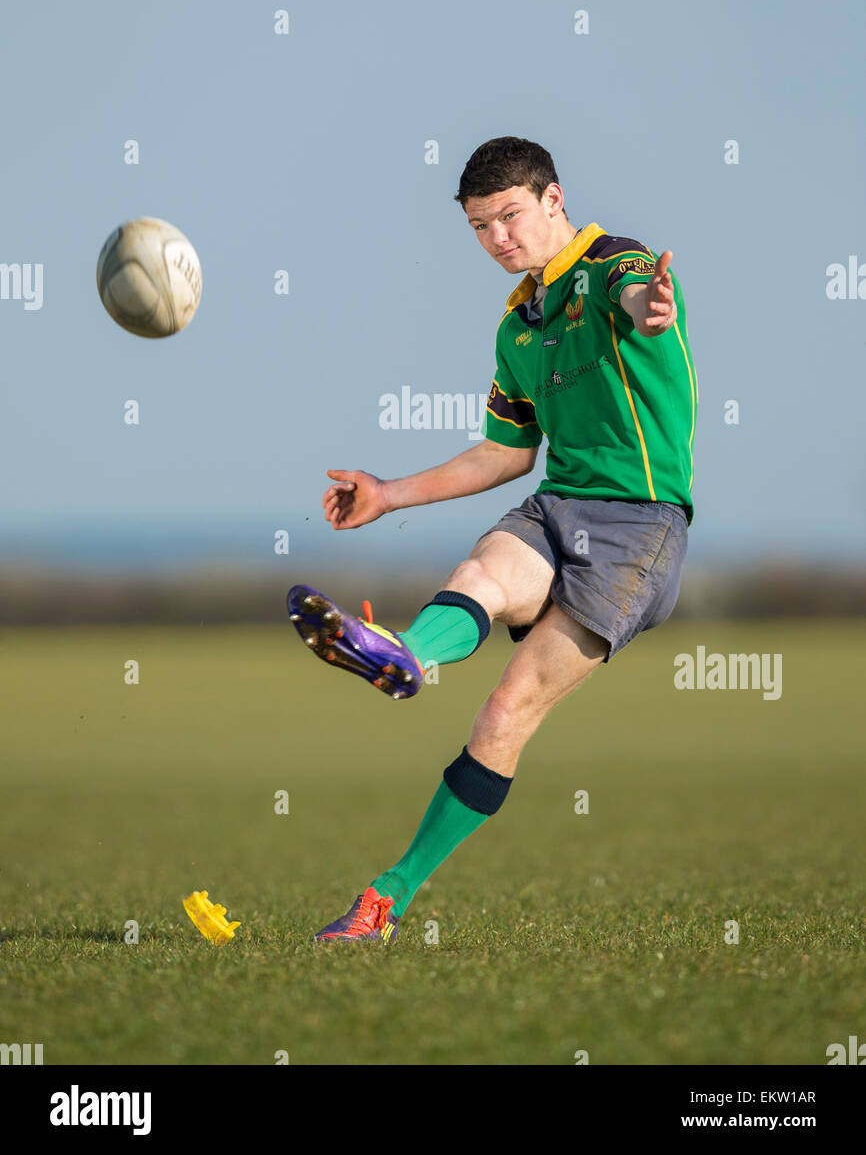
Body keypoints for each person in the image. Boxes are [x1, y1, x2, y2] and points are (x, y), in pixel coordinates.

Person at [287, 135, 697, 944]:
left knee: (505, 713)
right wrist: (387, 493)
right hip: (558, 503)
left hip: (639, 528)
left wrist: (651, 307)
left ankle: (388, 896)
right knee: (485, 569)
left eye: (509, 217)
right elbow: (508, 452)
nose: (497, 240)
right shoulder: (518, 321)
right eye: (480, 227)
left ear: (553, 200)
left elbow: (635, 300)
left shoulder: (616, 264)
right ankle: (404, 654)